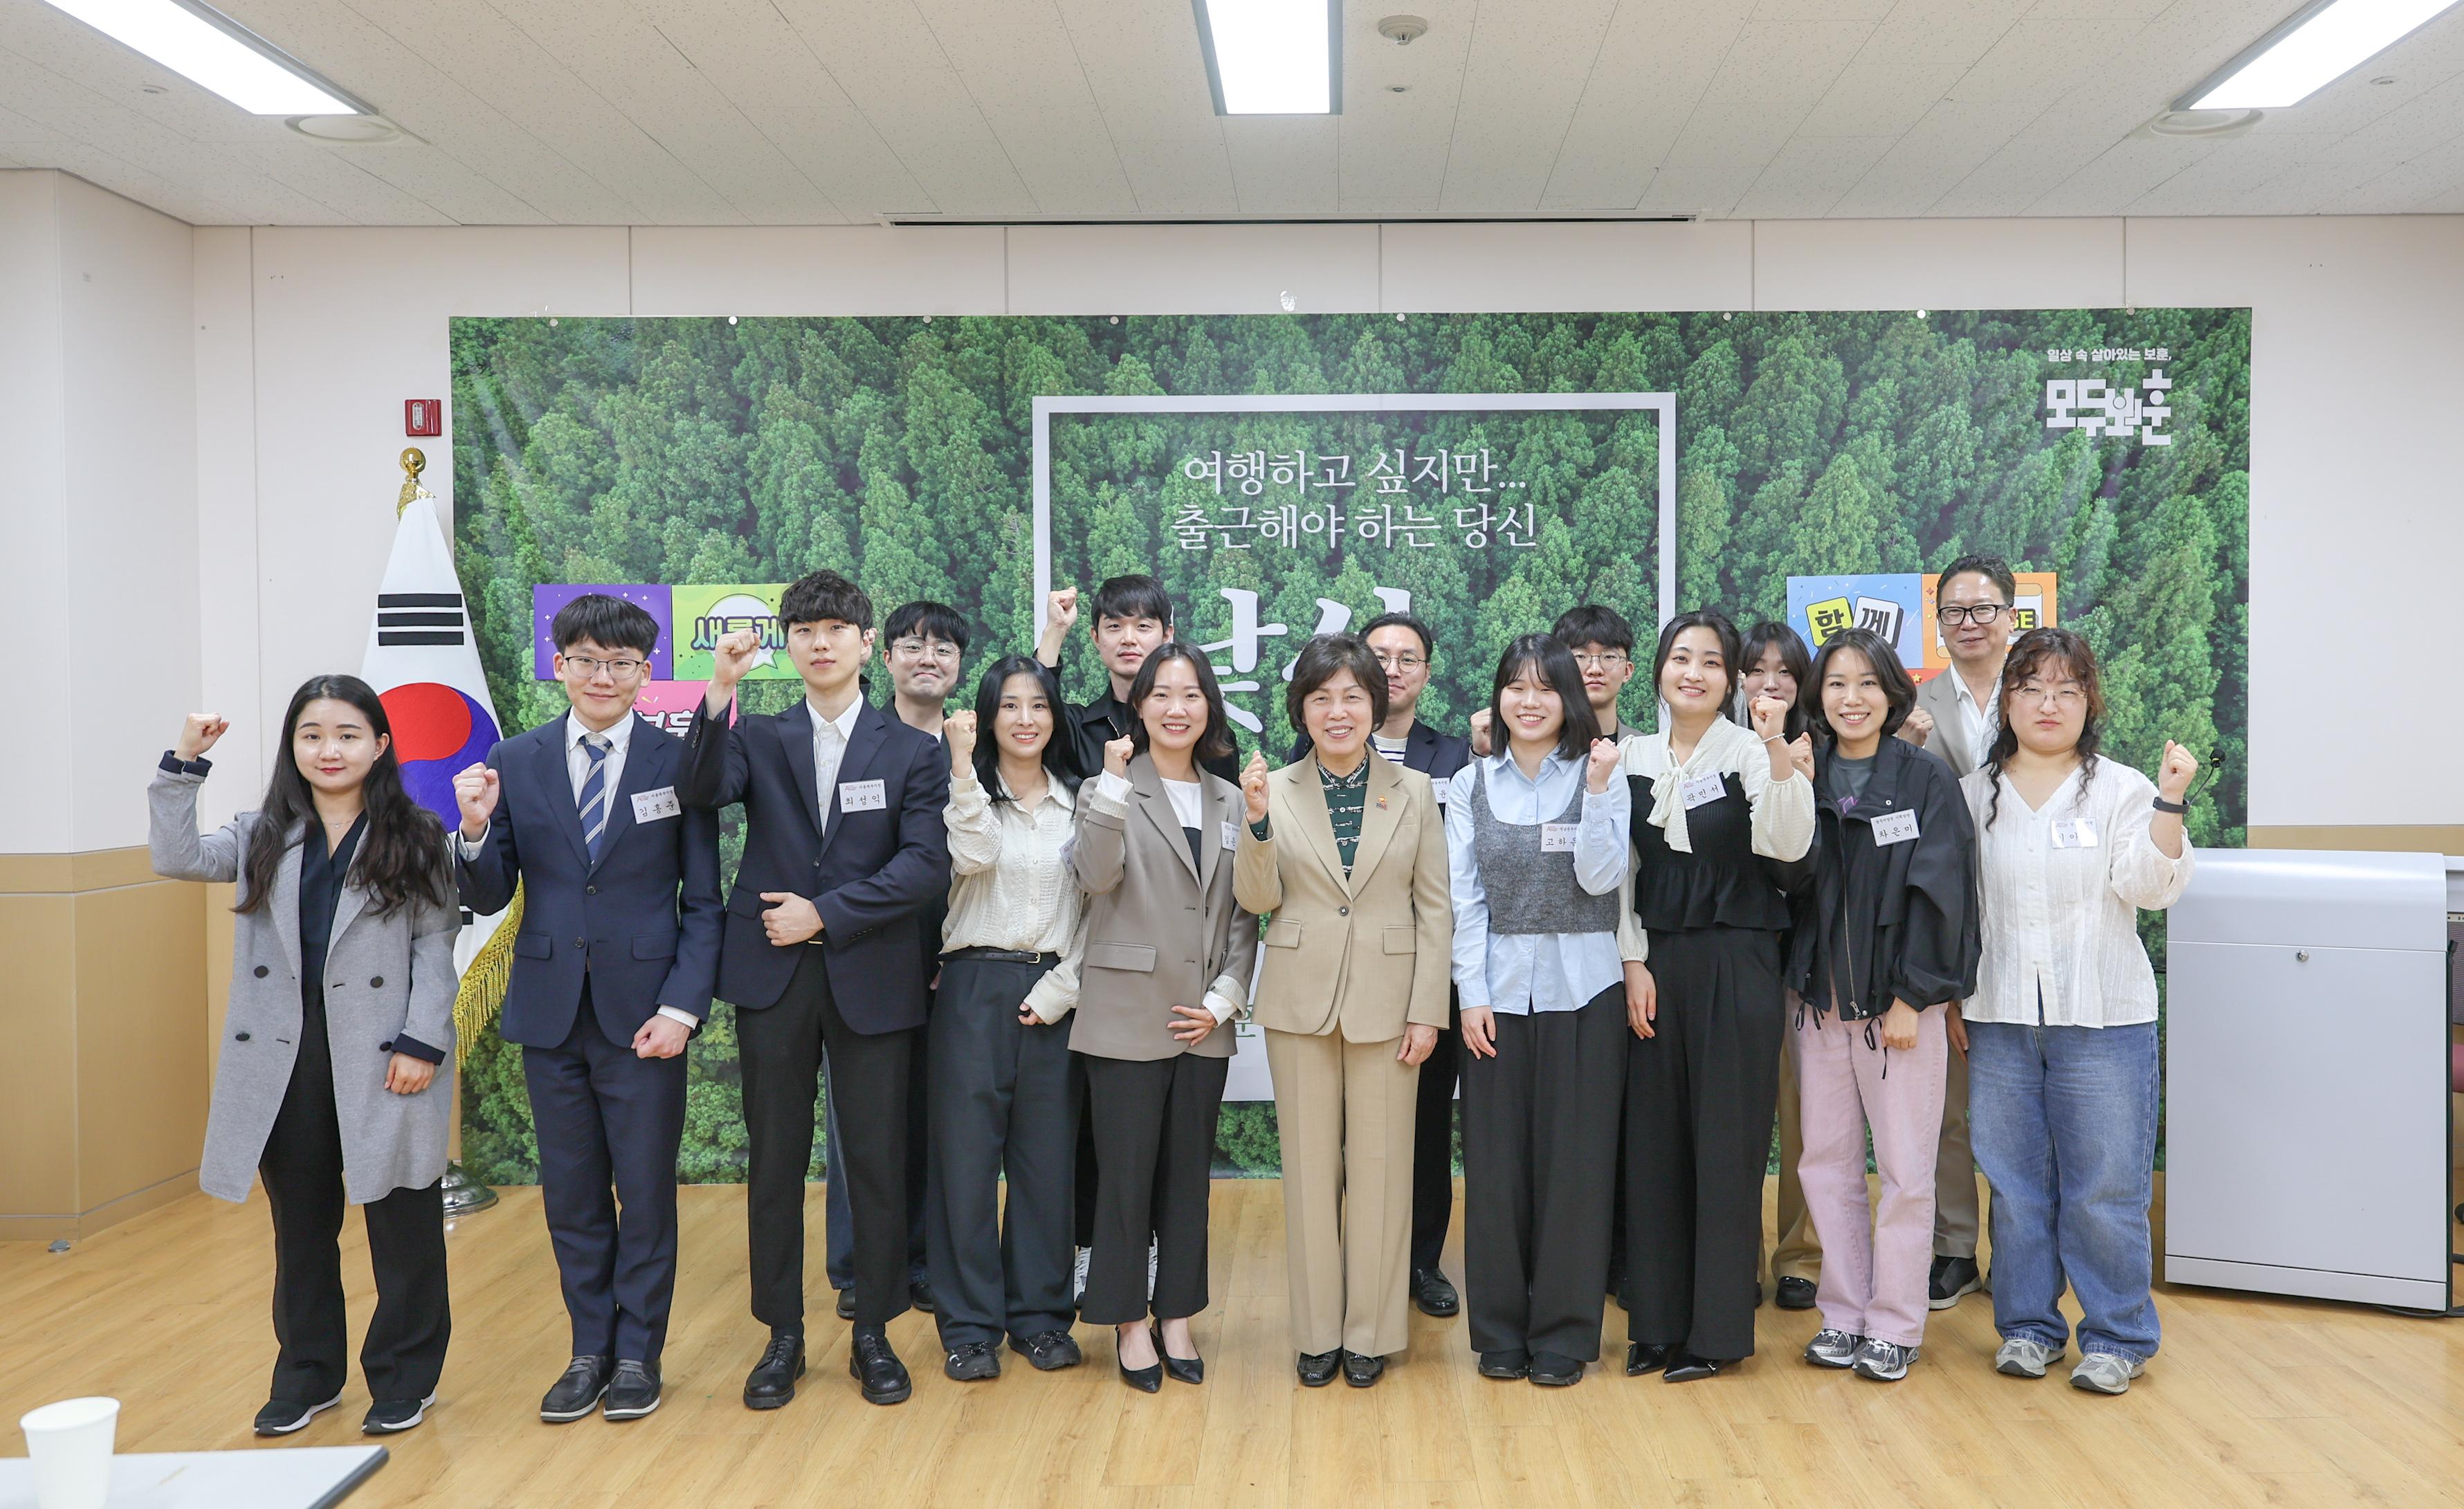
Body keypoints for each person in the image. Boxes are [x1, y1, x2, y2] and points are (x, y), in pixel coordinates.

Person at [149, 677, 457, 1437]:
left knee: (403, 1223)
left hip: (386, 1052)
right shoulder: (262, 834)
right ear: (293, 748)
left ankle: (405, 1377)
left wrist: (423, 1041)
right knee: (301, 1228)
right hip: (284, 1057)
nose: (330, 750)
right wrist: (184, 762)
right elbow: (177, 856)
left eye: (348, 734)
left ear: (380, 745)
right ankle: (308, 1375)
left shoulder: (416, 834)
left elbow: (435, 944)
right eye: (312, 735)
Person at [676, 569, 952, 1411]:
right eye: (804, 631)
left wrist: (823, 915)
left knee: (876, 1162)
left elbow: (924, 866)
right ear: (787, 646)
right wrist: (720, 689)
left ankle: (873, 1333)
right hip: (773, 978)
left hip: (874, 978)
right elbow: (698, 792)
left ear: (867, 644)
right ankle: (782, 1335)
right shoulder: (758, 735)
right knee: (775, 1162)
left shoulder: (913, 749)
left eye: (836, 630)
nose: (820, 643)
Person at [451, 595, 723, 1424]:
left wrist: (682, 1009)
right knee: (571, 1197)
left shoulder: (679, 761)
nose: (603, 676)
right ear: (559, 665)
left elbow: (703, 904)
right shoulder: (516, 758)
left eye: (621, 663)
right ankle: (587, 1351)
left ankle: (639, 1354)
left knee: (644, 1194)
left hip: (646, 1020)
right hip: (550, 1013)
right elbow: (490, 891)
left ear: (647, 673)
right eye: (586, 660)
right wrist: (473, 831)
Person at [1960, 627, 2197, 1395]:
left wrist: (2170, 799)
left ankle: (2117, 1337)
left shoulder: (2123, 789)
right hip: (1997, 1014)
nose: (2048, 704)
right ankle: (2027, 1328)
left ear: (2089, 701)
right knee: (2015, 1187)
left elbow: (2151, 889)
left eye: (2066, 690)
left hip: (2103, 1017)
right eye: (2030, 688)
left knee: (2104, 1189)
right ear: (2006, 701)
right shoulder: (1970, 794)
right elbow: (1957, 910)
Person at [1236, 634, 1452, 1389]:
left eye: (1352, 696)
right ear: (1301, 708)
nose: (1338, 711)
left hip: (1391, 1005)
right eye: (1321, 697)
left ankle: (1370, 1332)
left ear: (1375, 705)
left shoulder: (1414, 790)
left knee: (1384, 1170)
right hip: (1300, 1000)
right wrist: (1256, 823)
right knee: (1307, 1172)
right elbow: (1257, 899)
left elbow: (1435, 910)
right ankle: (1318, 1332)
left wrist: (1428, 1010)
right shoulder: (1271, 787)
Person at [1618, 610, 1815, 1383]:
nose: (1692, 672)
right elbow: (1620, 873)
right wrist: (1633, 960)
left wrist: (1776, 748)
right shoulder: (1630, 755)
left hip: (1739, 959)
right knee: (1654, 1146)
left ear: (1732, 678)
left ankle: (1717, 1331)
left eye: (1709, 661)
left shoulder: (1752, 750)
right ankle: (1656, 1323)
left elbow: (1789, 846)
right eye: (1680, 657)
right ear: (1660, 671)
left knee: (1726, 1147)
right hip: (1655, 966)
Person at [1784, 628, 1980, 1384]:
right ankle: (1843, 1312)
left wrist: (1912, 998)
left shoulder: (1924, 779)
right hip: (1819, 1004)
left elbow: (1943, 895)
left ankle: (1896, 1323)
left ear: (1893, 693)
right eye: (1836, 683)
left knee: (1904, 1168)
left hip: (1898, 1009)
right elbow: (1786, 879)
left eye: (1867, 683)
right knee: (1824, 1162)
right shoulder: (1804, 770)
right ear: (1818, 696)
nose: (1852, 698)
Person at [1070, 643, 1259, 1393]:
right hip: (1125, 1014)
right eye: (1161, 695)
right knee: (1125, 1179)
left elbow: (1246, 912)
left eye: (1191, 695)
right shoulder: (1106, 788)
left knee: (1187, 1180)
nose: (1176, 708)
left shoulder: (1231, 800)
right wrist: (1114, 785)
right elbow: (1094, 877)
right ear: (1138, 706)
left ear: (1209, 707)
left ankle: (1176, 1315)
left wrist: (1223, 999)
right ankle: (1127, 1322)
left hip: (1203, 1021)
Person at [1448, 634, 1629, 1387]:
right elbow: (1465, 900)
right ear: (1498, 696)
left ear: (1569, 698)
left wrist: (1596, 792)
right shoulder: (1469, 782)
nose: (1529, 702)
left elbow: (1601, 878)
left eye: (1546, 688)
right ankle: (1498, 1331)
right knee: (1495, 1168)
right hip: (1495, 995)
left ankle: (1563, 1334)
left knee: (1575, 1168)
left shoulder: (1601, 771)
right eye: (1515, 687)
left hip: (1584, 991)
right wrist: (1471, 995)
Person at [1290, 611, 1474, 1318]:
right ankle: (1330, 1294)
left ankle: (1415, 1265)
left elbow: (1443, 892)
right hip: (1318, 987)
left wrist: (1430, 1000)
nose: (1392, 669)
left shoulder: (1451, 758)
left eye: (1408, 658)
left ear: (1425, 672)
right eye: (1380, 656)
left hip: (1413, 981)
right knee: (1320, 1152)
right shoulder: (1298, 765)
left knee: (1415, 1137)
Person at [927, 655, 1090, 1382]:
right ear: (988, 716)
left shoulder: (1082, 801)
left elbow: (1100, 910)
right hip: (971, 986)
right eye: (1010, 706)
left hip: (1055, 992)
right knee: (964, 1167)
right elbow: (973, 857)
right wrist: (963, 767)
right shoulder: (962, 793)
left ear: (1056, 716)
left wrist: (1062, 988)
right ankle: (968, 1328)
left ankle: (1041, 1318)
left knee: (1045, 1165)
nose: (1026, 719)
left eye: (1039, 705)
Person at [821, 599, 961, 1321]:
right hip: (866, 955)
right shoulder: (852, 742)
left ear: (959, 665)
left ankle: (924, 1259)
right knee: (858, 1120)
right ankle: (858, 1265)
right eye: (912, 645)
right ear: (885, 657)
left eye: (942, 649)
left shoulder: (973, 748)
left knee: (937, 1118)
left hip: (956, 960)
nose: (926, 658)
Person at [1902, 553, 2019, 1310]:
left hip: (2024, 919)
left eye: (1982, 609)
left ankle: (2020, 1248)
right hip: (1944, 918)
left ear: (2011, 615)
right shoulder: (1913, 705)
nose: (1968, 623)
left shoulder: (2043, 692)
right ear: (1937, 623)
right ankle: (1952, 1247)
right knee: (1943, 1107)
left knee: (2017, 1106)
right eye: (1953, 612)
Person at [1738, 620, 1820, 1313]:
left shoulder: (1821, 748)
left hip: (1801, 959)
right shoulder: (1710, 748)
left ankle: (1801, 1256)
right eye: (1756, 669)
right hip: (1728, 955)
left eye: (1785, 671)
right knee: (1731, 1116)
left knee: (1804, 1117)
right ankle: (1732, 1254)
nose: (1770, 683)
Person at [1038, 578, 1241, 785]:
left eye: (1143, 626)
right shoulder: (1078, 728)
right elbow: (1035, 705)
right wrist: (1056, 629)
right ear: (1096, 638)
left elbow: (1226, 803)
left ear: (1167, 635)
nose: (1128, 639)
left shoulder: (1201, 731)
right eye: (1114, 626)